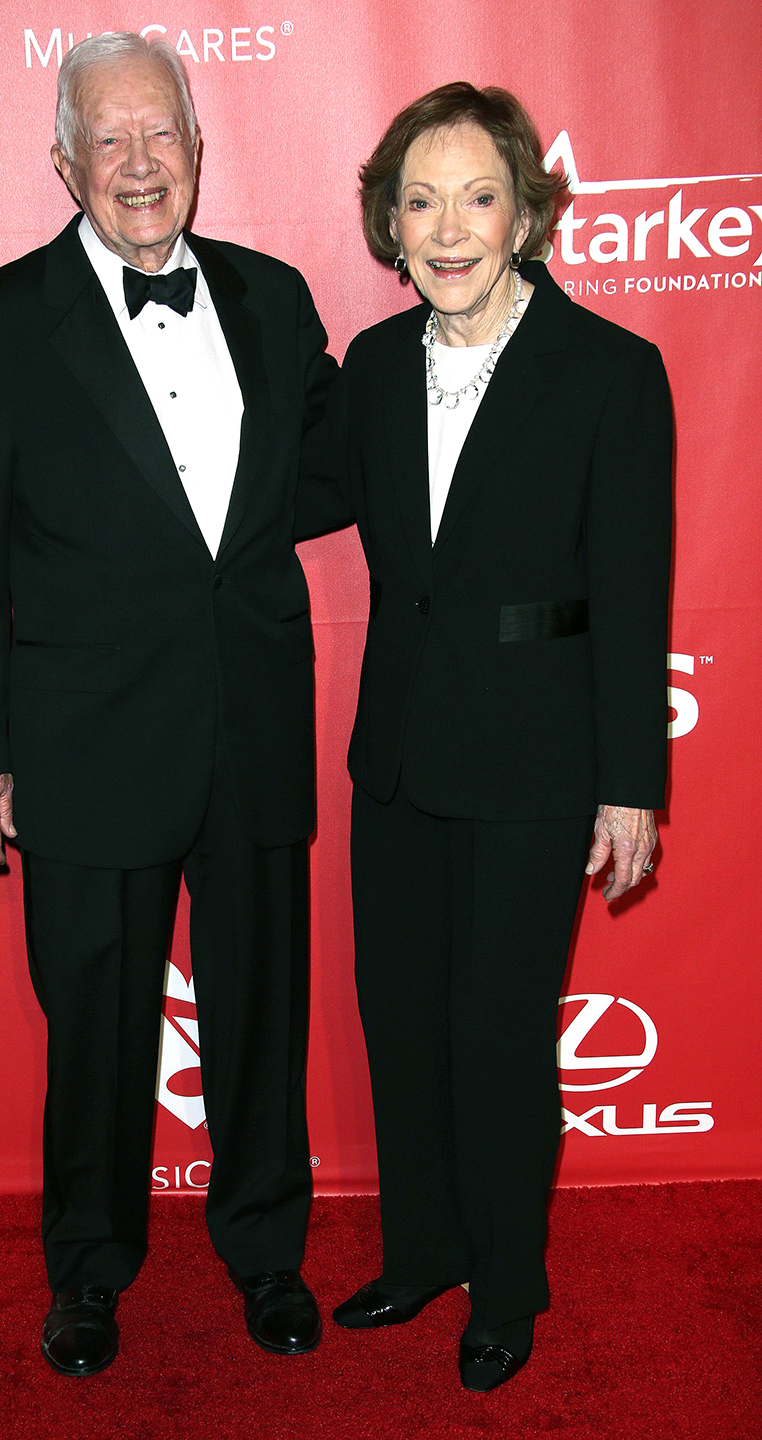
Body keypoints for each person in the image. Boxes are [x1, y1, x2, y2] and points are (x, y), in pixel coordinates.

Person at [0, 32, 337, 1376]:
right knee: (95, 1017)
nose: (140, 163)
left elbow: (335, 475)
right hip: (85, 737)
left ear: (200, 152)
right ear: (64, 164)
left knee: (262, 1006)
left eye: (161, 134)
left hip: (253, 721)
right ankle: (88, 1272)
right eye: (110, 139)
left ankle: (268, 1251)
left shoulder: (276, 302)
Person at [297, 82, 672, 1391]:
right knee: (401, 1019)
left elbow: (633, 591)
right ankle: (425, 1251)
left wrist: (631, 780)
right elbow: (285, 496)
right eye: (419, 200)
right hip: (396, 750)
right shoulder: (376, 365)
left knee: (500, 1032)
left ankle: (508, 1279)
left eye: (477, 196)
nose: (447, 229)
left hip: (532, 760)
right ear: (389, 225)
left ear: (525, 212)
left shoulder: (613, 373)